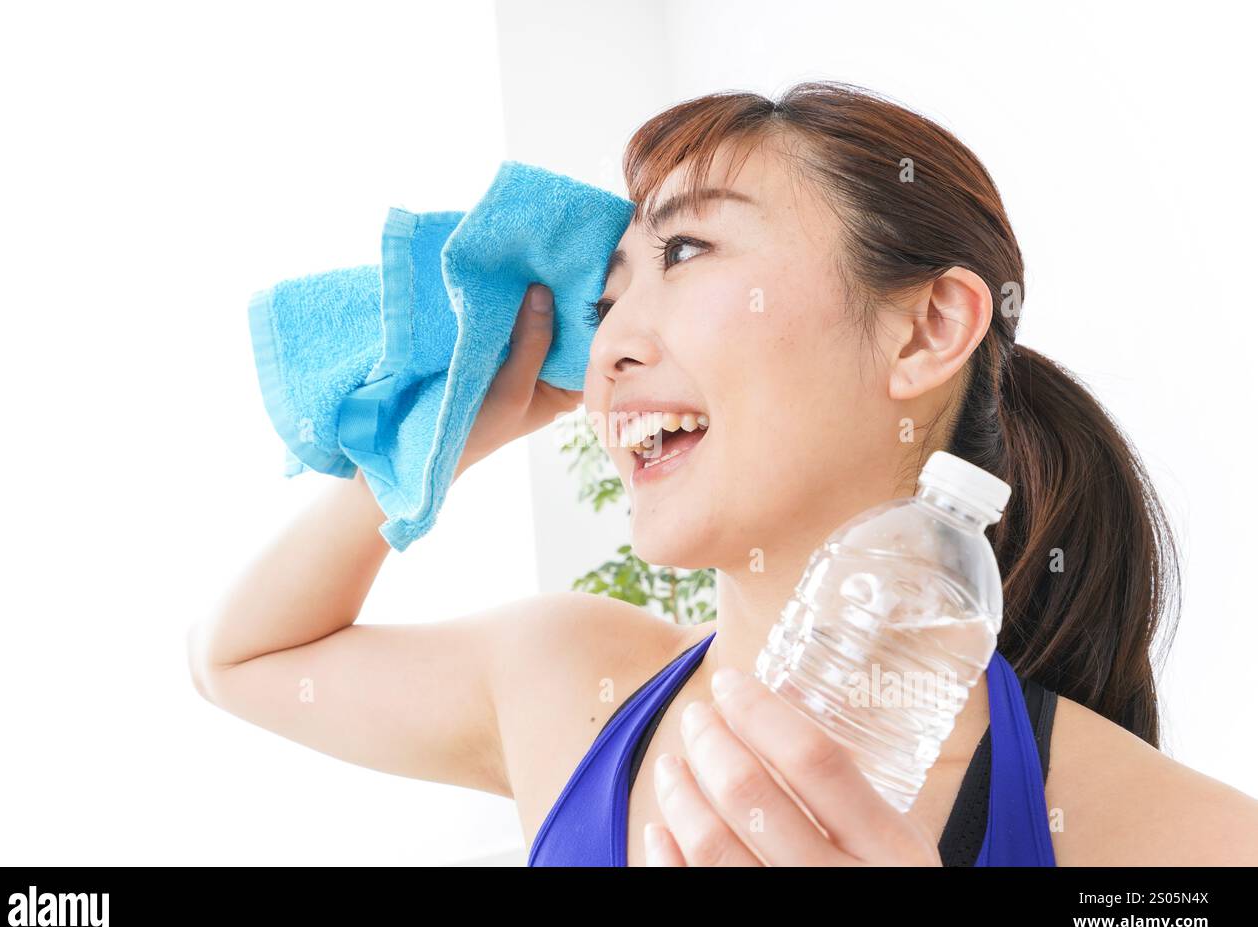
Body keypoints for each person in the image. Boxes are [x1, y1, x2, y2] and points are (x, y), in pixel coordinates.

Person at [187, 80, 1258, 866]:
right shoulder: (571, 682)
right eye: (605, 301)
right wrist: (435, 437)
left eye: (688, 251)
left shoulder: (1169, 840)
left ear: (928, 328)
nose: (608, 346)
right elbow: (243, 657)